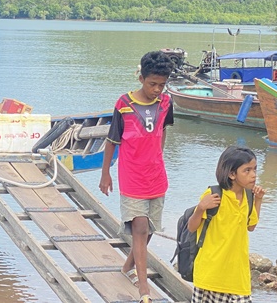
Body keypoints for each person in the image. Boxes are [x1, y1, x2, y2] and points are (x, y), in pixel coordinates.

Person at [98, 50, 175, 303]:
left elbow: (162, 130)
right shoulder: (124, 104)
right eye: (152, 84)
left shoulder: (166, 102)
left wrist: (158, 156)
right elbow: (112, 141)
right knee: (139, 228)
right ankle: (144, 289)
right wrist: (105, 173)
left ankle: (127, 267)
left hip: (156, 176)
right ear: (141, 78)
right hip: (132, 176)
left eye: (162, 85)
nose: (157, 90)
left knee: (149, 229)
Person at [188, 146, 265, 303]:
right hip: (210, 275)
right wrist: (201, 208)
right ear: (231, 174)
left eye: (255, 169)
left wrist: (258, 200)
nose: (254, 175)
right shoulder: (214, 195)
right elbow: (191, 227)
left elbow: (250, 226)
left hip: (238, 276)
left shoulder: (248, 196)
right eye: (247, 170)